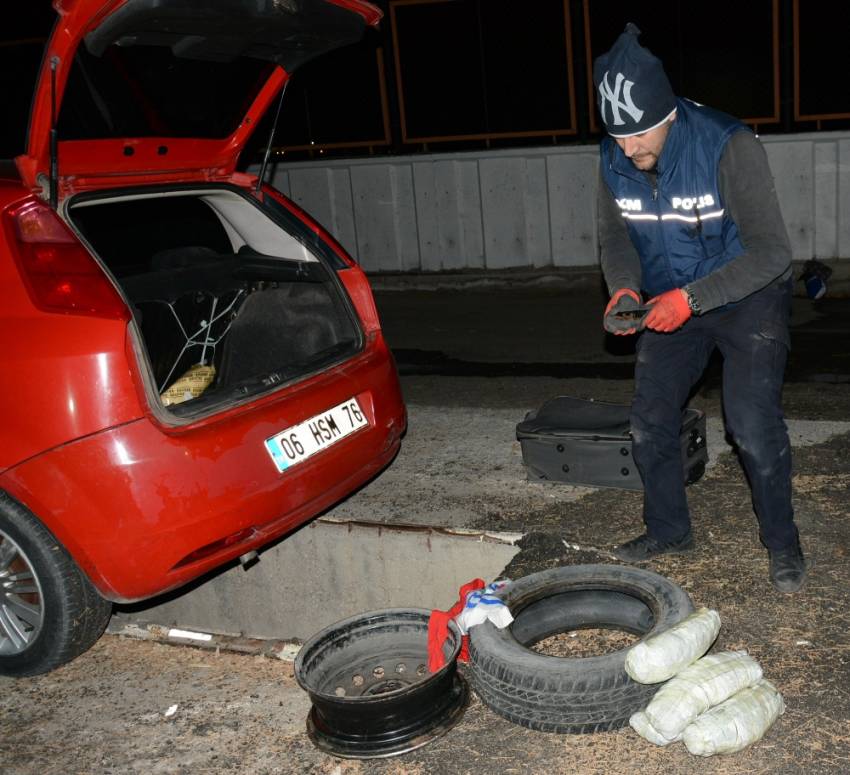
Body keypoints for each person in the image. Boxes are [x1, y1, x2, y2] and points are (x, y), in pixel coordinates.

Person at [593, 23, 806, 592]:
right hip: (666, 300)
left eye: (639, 136)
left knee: (752, 427)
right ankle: (668, 531)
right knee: (649, 422)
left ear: (668, 115)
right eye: (618, 137)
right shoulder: (614, 156)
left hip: (745, 296)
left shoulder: (726, 144)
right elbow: (616, 235)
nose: (628, 149)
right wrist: (623, 287)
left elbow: (773, 252)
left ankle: (783, 545)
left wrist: (690, 299)